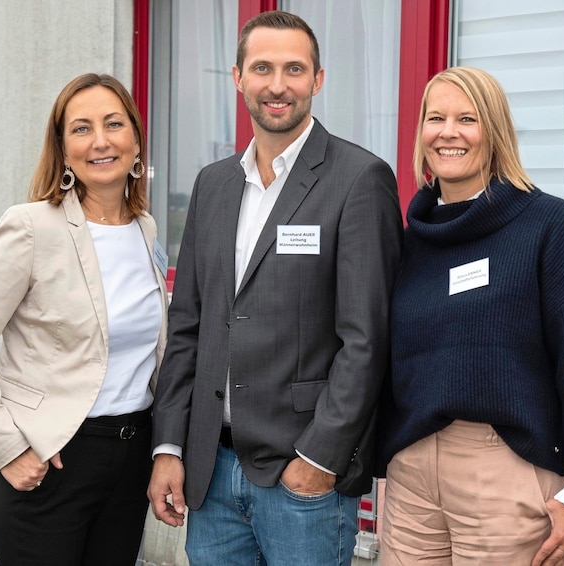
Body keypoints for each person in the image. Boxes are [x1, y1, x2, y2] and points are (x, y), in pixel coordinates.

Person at [147, 10, 402, 566]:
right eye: (262, 67)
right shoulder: (213, 184)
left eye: (294, 68)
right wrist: (169, 446)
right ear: (237, 78)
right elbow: (188, 324)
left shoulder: (359, 180)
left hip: (301, 478)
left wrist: (319, 458)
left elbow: (367, 339)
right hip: (209, 474)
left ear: (318, 79)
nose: (278, 84)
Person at [377, 66, 564, 566]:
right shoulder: (411, 240)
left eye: (467, 119)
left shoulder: (546, 225)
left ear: (494, 131)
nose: (448, 132)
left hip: (506, 472)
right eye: (435, 118)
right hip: (413, 478)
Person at [0, 73, 169, 566]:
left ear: (135, 139)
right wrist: (8, 447)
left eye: (113, 124)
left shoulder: (146, 230)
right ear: (63, 150)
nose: (101, 141)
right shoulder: (30, 227)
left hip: (130, 459)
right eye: (81, 129)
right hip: (52, 460)